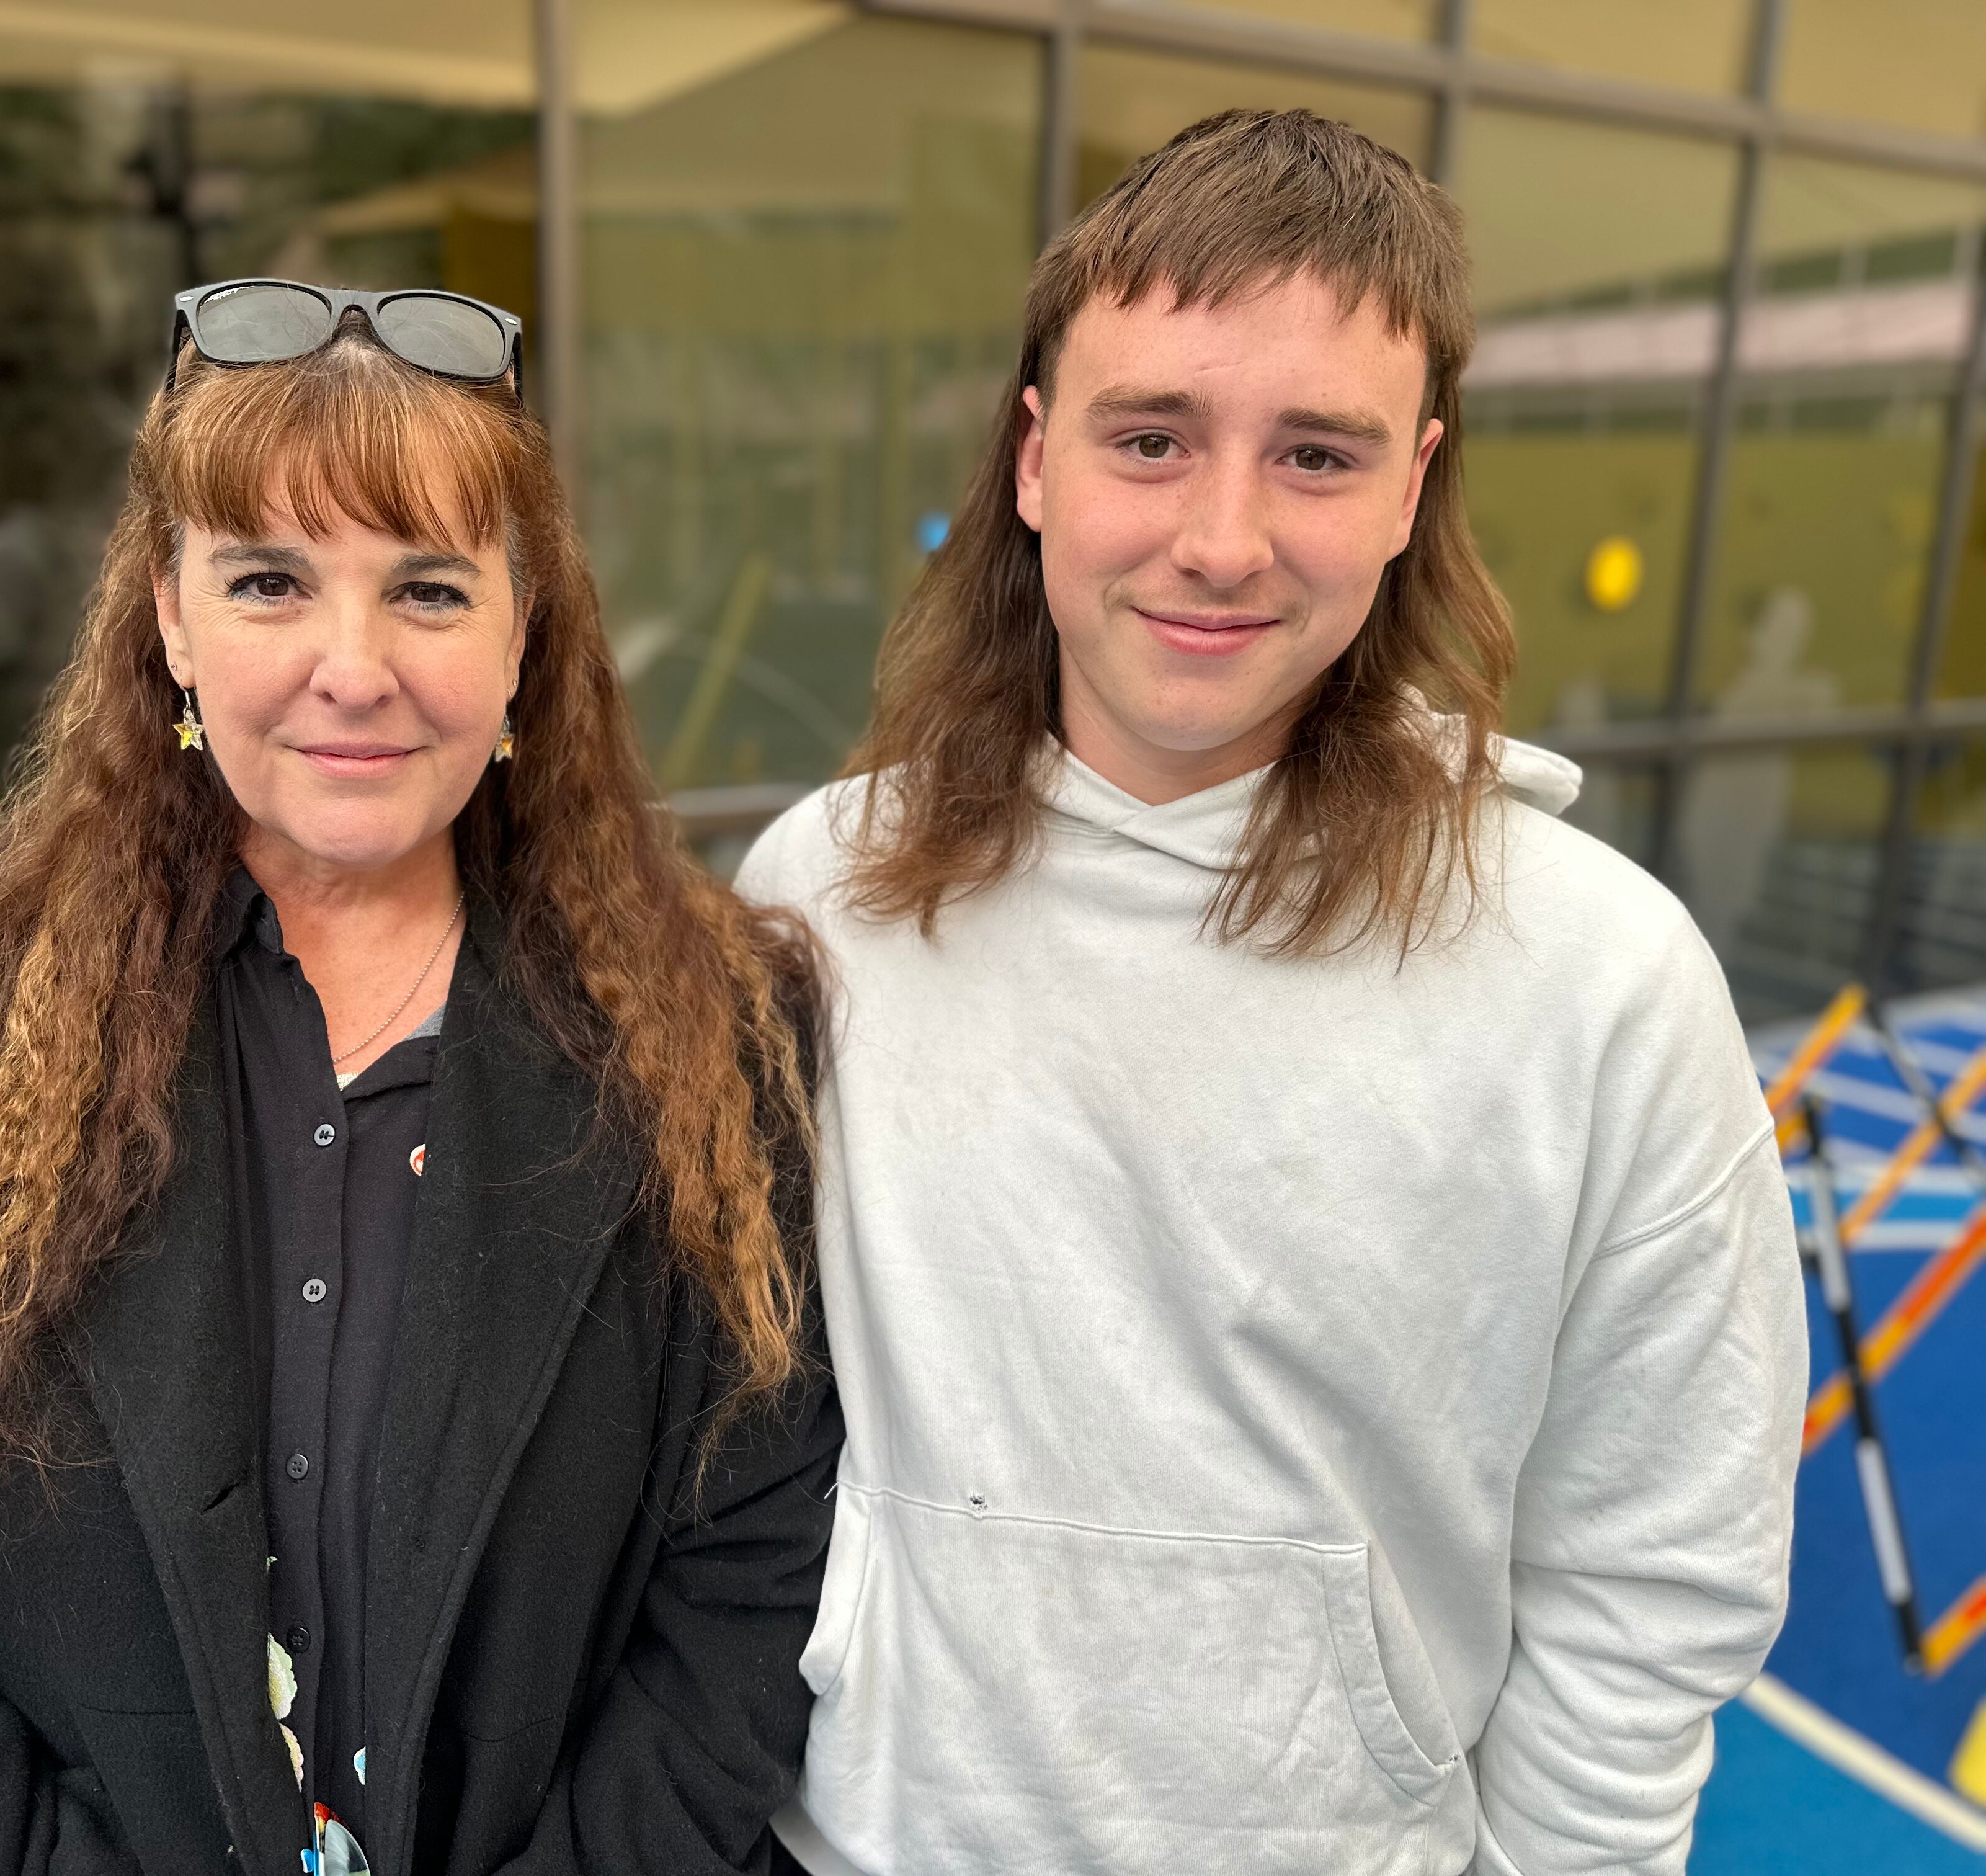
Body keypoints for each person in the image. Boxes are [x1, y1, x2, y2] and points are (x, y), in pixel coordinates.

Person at [0, 280, 842, 1876]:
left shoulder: (713, 1031)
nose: (352, 668)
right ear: (168, 617)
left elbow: (752, 1573)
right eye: (271, 581)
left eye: (427, 590)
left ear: (524, 634)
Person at [738, 112, 1805, 1876]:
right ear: (1033, 461)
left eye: (1317, 454)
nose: (1220, 539)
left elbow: (1656, 1564)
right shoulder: (823, 896)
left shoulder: (1599, 981)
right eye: (1149, 438)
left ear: (1412, 488)